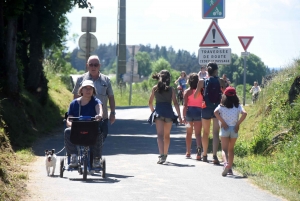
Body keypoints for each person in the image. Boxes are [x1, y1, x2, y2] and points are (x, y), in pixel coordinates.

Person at [72, 55, 116, 143]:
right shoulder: (80, 80)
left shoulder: (106, 80)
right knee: (83, 141)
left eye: (96, 65)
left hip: (102, 117)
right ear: (87, 65)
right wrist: (74, 115)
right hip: (84, 118)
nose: (93, 67)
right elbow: (76, 98)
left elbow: (111, 97)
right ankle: (85, 155)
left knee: (100, 140)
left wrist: (113, 113)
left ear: (99, 66)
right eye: (91, 65)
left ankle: (96, 156)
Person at [64, 80, 103, 168]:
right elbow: (69, 117)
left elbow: (99, 109)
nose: (88, 90)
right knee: (67, 131)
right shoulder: (74, 103)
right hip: (77, 129)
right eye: (86, 88)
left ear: (93, 90)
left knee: (99, 132)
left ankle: (96, 158)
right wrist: (69, 123)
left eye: (90, 88)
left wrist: (99, 115)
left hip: (91, 128)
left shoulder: (96, 101)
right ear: (81, 90)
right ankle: (73, 156)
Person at [149, 70, 183, 164]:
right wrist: (179, 116)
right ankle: (165, 154)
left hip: (159, 113)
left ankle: (161, 155)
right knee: (167, 135)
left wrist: (153, 112)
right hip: (169, 114)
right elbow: (176, 103)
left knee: (159, 135)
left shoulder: (155, 88)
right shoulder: (171, 89)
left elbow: (150, 102)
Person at [194, 62, 225, 164]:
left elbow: (195, 96)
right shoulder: (220, 81)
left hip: (206, 107)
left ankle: (204, 155)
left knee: (205, 133)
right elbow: (225, 94)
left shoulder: (202, 81)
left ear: (207, 71)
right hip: (217, 109)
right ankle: (215, 156)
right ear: (216, 71)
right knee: (215, 132)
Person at [214, 87, 247, 176]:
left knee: (224, 149)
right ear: (235, 95)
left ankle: (226, 164)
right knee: (231, 149)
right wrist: (237, 124)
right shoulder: (238, 106)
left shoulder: (222, 106)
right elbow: (245, 113)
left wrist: (223, 122)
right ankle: (230, 169)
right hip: (234, 129)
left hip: (225, 129)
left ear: (224, 96)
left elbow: (215, 112)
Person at [182, 73, 203, 160]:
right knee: (198, 134)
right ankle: (198, 151)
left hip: (189, 113)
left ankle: (188, 152)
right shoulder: (201, 91)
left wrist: (183, 117)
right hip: (199, 112)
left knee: (189, 133)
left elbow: (185, 105)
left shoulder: (187, 92)